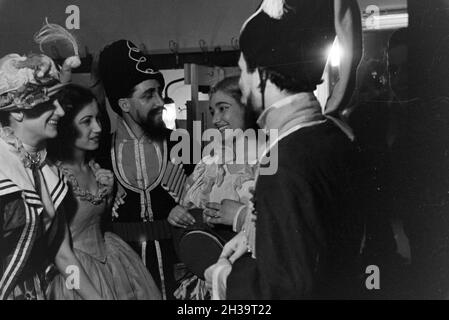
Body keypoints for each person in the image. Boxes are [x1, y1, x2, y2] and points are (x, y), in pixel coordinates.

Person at [206, 0, 364, 299]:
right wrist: (257, 238)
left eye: (243, 72)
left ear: (263, 77)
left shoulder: (285, 163)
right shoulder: (332, 135)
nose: (241, 82)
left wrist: (226, 277)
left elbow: (285, 291)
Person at [0, 53, 101, 300]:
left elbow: (64, 257)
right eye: (48, 103)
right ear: (18, 112)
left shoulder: (45, 168)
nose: (59, 111)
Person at [46, 84, 161, 300]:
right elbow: (59, 253)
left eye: (97, 119)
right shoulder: (52, 176)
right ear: (65, 127)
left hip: (114, 264)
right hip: (74, 277)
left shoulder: (97, 170)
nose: (98, 128)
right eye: (86, 121)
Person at [97, 40, 193, 299]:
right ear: (125, 104)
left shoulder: (182, 142)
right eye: (148, 95)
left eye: (159, 92)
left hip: (181, 262)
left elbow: (206, 201)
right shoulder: (99, 150)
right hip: (125, 270)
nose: (160, 101)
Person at [167, 76, 259, 299]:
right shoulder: (209, 158)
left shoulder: (269, 158)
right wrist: (177, 214)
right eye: (212, 111)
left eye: (223, 108)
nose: (216, 119)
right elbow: (188, 210)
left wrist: (240, 215)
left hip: (248, 283)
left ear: (247, 107)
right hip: (206, 283)